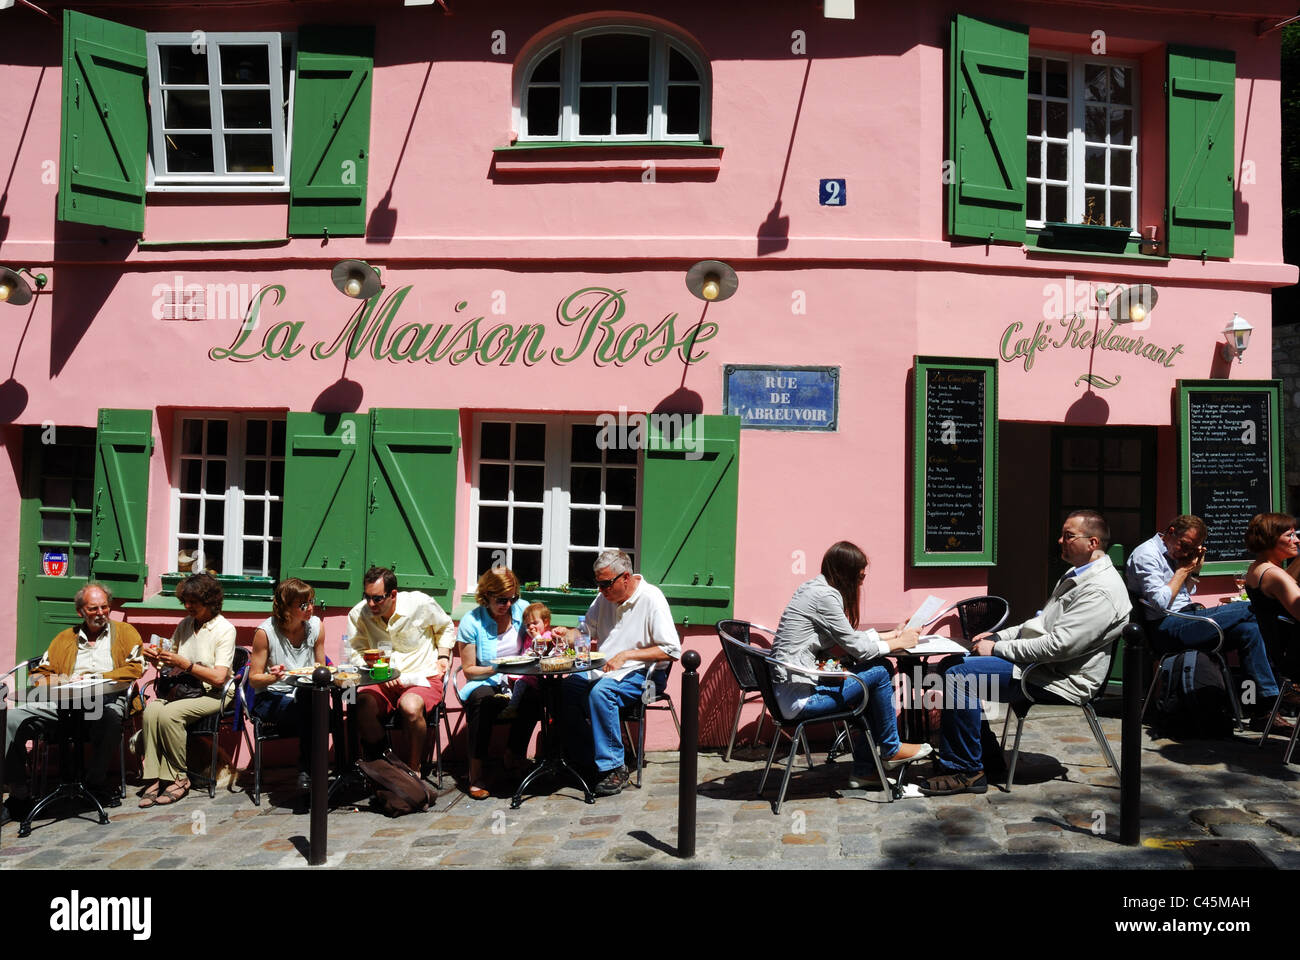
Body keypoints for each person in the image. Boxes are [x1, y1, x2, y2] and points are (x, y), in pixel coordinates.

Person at [917, 510, 1132, 796]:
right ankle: (985, 758)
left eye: (1069, 536)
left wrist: (996, 648)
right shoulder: (1077, 575)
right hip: (1040, 667)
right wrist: (997, 636)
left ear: (1093, 542)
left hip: (1059, 678)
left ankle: (966, 770)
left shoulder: (1100, 590)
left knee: (960, 676)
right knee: (950, 664)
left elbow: (1059, 647)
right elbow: (1039, 624)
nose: (1060, 540)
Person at [770, 541, 932, 791]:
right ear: (846, 573)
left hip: (790, 694)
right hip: (801, 702)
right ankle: (891, 748)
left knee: (871, 684)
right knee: (880, 671)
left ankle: (865, 771)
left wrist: (893, 634)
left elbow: (850, 639)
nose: (861, 582)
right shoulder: (824, 597)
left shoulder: (814, 588)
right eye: (859, 576)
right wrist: (900, 641)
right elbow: (859, 649)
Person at [2, 583, 145, 824]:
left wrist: (97, 678)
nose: (101, 613)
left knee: (110, 718)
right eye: (93, 608)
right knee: (10, 719)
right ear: (80, 611)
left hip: (105, 698)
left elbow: (135, 668)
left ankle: (93, 783)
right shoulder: (64, 639)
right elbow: (38, 676)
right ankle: (19, 794)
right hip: (64, 703)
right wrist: (64, 680)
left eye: (104, 607)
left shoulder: (125, 632)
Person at [1126, 514, 1279, 719]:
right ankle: (1285, 683)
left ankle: (1263, 707)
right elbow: (1160, 603)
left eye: (1192, 548)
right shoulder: (1147, 554)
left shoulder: (1175, 554)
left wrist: (1194, 572)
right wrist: (1183, 570)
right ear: (1171, 532)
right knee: (1252, 608)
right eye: (1185, 545)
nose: (1186, 552)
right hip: (1165, 626)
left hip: (1187, 618)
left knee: (1250, 631)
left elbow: (1185, 593)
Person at [561, 549, 681, 797]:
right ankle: (587, 757)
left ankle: (614, 767)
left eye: (605, 584)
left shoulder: (651, 599)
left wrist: (627, 655)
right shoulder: (603, 598)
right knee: (566, 688)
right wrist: (567, 635)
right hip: (606, 669)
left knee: (601, 693)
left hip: (645, 673)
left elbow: (671, 650)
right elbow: (585, 633)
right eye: (598, 583)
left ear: (625, 577)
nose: (601, 590)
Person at [138, 573, 237, 807]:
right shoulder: (185, 624)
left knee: (170, 714)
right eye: (185, 601)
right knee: (152, 710)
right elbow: (170, 662)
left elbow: (220, 677)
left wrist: (186, 664)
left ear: (210, 601)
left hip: (215, 693)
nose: (188, 606)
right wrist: (156, 658)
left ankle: (178, 778)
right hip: (186, 690)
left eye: (193, 602)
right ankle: (154, 777)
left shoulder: (224, 629)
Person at [346, 566, 454, 774]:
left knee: (410, 706)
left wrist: (442, 655)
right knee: (361, 705)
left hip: (421, 675)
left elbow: (445, 626)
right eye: (367, 597)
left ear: (393, 594)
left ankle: (414, 769)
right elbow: (355, 651)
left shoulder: (419, 603)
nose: (371, 604)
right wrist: (379, 670)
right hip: (381, 678)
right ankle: (385, 764)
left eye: (377, 598)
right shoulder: (359, 614)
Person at [454, 568, 543, 799]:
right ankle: (476, 774)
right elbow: (469, 670)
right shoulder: (471, 621)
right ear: (486, 596)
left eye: (512, 598)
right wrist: (497, 668)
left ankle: (514, 756)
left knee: (537, 696)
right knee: (483, 702)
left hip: (519, 677)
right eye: (501, 600)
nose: (508, 604)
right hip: (485, 677)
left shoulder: (522, 610)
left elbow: (542, 630)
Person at [247, 578, 327, 793]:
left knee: (318, 706)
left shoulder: (316, 627)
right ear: (285, 606)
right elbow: (254, 678)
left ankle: (311, 773)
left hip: (305, 694)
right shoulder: (265, 633)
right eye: (303, 604)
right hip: (271, 695)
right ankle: (310, 771)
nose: (310, 608)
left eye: (312, 602)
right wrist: (274, 677)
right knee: (314, 713)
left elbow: (320, 666)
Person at [1243, 513, 1300, 698]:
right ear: (1271, 539)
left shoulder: (1258, 567)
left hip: (1278, 653)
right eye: (1289, 535)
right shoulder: (1275, 575)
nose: (1297, 540)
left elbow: (1287, 580)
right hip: (1292, 656)